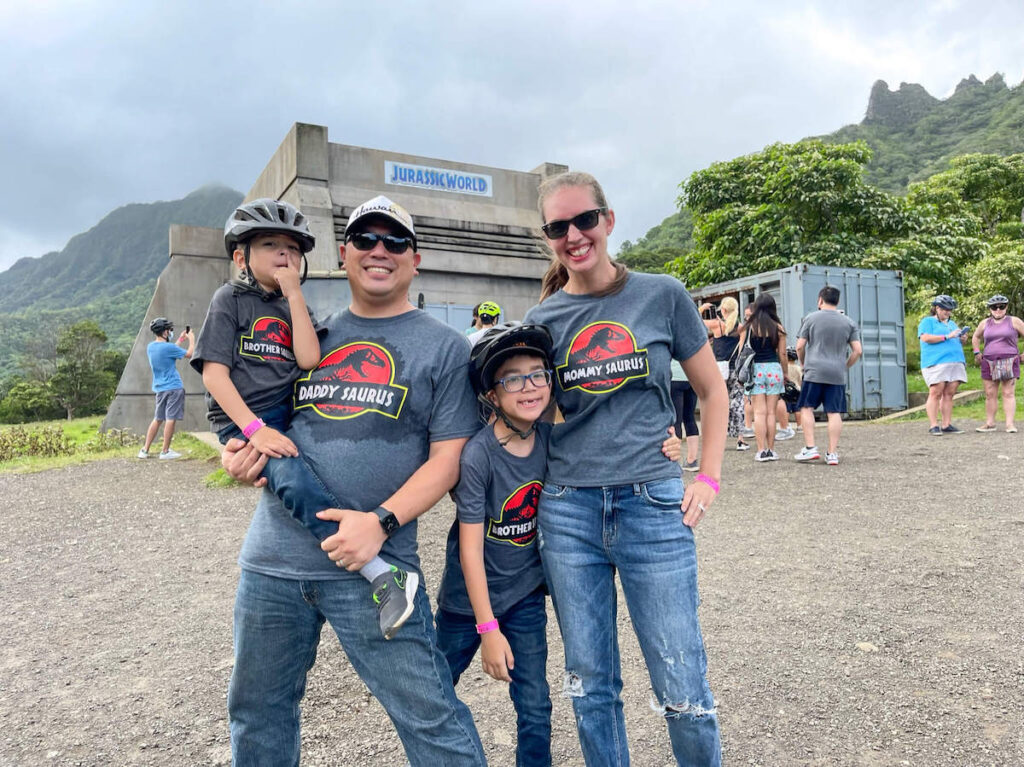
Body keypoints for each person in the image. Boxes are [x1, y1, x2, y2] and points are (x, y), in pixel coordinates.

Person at [220, 195, 486, 766]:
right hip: (272, 561)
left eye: (395, 242)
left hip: (377, 565)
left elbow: (447, 461)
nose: (379, 251)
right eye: (366, 240)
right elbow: (262, 420)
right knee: (257, 713)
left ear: (416, 260)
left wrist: (380, 522)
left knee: (431, 716)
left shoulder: (443, 348)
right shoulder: (305, 334)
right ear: (344, 255)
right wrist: (237, 454)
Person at [524, 171, 726, 766]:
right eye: (558, 227)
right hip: (567, 510)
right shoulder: (544, 319)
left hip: (653, 505)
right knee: (590, 686)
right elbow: (531, 411)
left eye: (584, 220)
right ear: (548, 238)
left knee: (682, 683)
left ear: (608, 221)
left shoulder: (662, 294)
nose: (574, 235)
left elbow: (712, 392)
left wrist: (707, 476)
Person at [192, 198, 418, 639]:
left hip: (285, 412)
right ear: (241, 256)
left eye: (294, 249)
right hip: (246, 418)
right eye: (271, 245)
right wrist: (255, 432)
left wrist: (294, 294)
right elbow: (215, 376)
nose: (284, 255)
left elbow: (309, 357)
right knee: (294, 483)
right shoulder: (229, 301)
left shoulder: (291, 305)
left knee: (313, 470)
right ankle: (380, 574)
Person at [436, 322, 556, 766]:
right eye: (512, 378)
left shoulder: (550, 441)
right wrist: (487, 629)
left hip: (523, 597)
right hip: (466, 603)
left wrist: (667, 445)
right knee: (434, 693)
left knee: (536, 707)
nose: (529, 386)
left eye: (537, 373)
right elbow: (470, 549)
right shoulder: (478, 455)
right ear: (492, 394)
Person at [792, 286, 863, 465]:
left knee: (807, 407)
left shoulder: (810, 318)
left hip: (814, 371)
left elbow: (799, 346)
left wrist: (803, 363)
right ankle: (832, 453)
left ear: (820, 300)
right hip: (836, 373)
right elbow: (857, 351)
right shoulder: (848, 322)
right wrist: (845, 365)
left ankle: (810, 448)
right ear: (837, 301)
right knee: (834, 411)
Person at [737, 293, 788, 462]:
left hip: (755, 370)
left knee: (759, 413)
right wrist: (785, 372)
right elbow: (782, 353)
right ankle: (771, 450)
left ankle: (761, 451)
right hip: (774, 369)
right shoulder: (779, 328)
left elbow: (741, 353)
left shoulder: (748, 327)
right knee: (771, 413)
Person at [138, 317, 194, 459]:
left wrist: (181, 340)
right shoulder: (169, 348)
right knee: (171, 419)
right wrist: (191, 339)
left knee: (157, 419)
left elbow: (169, 351)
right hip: (174, 388)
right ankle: (165, 451)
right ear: (164, 332)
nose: (170, 332)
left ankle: (144, 450)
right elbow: (189, 354)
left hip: (160, 389)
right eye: (169, 330)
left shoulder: (151, 347)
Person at [971, 294, 1024, 433]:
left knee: (1008, 393)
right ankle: (990, 423)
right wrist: (977, 351)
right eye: (994, 307)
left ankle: (1010, 424)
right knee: (990, 393)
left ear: (1006, 307)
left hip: (1009, 360)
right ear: (990, 309)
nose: (998, 309)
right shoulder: (984, 323)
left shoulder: (1014, 321)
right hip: (988, 361)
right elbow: (976, 336)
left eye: (1001, 306)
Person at [918, 294, 970, 436]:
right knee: (936, 391)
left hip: (955, 361)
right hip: (936, 361)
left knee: (949, 393)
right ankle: (934, 425)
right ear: (936, 308)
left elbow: (957, 340)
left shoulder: (952, 324)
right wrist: (947, 336)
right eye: (944, 309)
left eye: (950, 310)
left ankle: (946, 424)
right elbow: (925, 338)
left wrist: (963, 338)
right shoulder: (927, 321)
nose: (947, 312)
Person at [670, 359, 700, 470]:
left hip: (674, 376)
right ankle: (692, 460)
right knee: (690, 417)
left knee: (676, 420)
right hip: (691, 376)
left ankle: (674, 462)